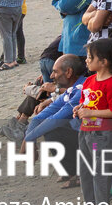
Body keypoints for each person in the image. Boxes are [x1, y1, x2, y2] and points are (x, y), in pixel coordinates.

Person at [73, 38, 112, 205]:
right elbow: (85, 102)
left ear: (103, 62)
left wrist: (90, 112)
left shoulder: (111, 84)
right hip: (86, 131)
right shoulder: (89, 80)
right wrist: (80, 108)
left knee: (99, 171)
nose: (86, 60)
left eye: (90, 57)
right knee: (86, 169)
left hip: (102, 135)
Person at [23, 54, 89, 186]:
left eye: (55, 71)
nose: (52, 76)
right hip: (82, 133)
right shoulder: (72, 89)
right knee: (51, 130)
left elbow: (55, 119)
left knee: (53, 128)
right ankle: (72, 172)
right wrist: (28, 140)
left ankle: (83, 173)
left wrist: (29, 139)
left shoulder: (82, 88)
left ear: (69, 72)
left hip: (95, 137)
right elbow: (39, 117)